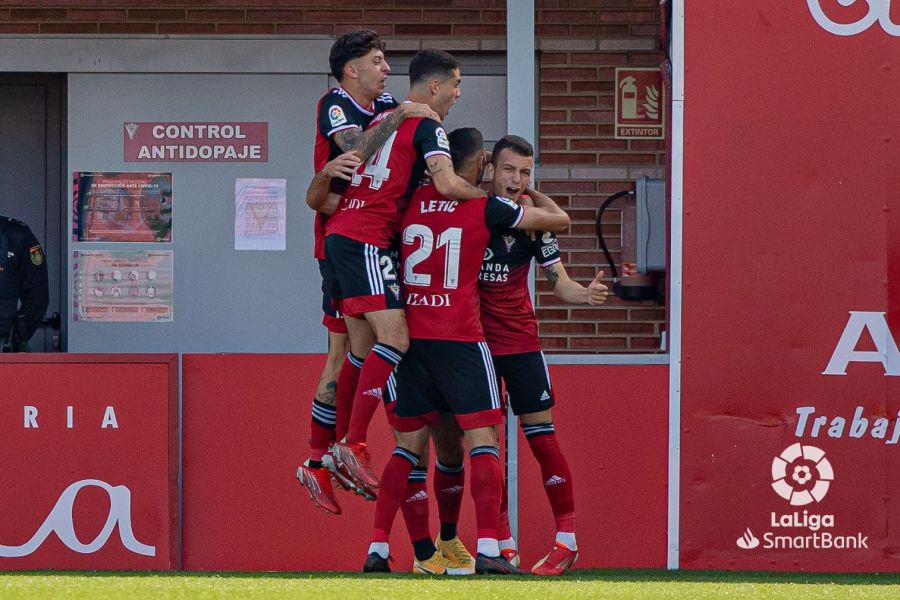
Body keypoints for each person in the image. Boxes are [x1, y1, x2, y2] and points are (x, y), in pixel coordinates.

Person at [363, 127, 570, 575]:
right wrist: (530, 196)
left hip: (408, 341)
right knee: (482, 442)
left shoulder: (407, 202)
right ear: (482, 166)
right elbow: (558, 222)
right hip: (460, 339)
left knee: (411, 448)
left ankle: (384, 548)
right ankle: (492, 547)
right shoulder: (484, 206)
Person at [323, 49, 486, 496]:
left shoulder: (379, 121)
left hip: (342, 233)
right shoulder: (426, 123)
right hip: (366, 237)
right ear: (435, 87)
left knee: (361, 347)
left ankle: (335, 448)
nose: (456, 95)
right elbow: (448, 184)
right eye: (455, 85)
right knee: (394, 338)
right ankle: (351, 444)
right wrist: (496, 206)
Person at [297, 30, 440, 515]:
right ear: (351, 70)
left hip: (361, 235)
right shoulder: (335, 102)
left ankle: (327, 458)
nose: (386, 70)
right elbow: (355, 147)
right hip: (341, 237)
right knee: (344, 353)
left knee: (355, 350)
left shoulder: (385, 102)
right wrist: (401, 115)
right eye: (377, 62)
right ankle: (332, 453)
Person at [479, 134, 609, 575]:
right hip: (474, 345)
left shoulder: (536, 223)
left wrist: (584, 293)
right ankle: (502, 542)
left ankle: (566, 540)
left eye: (525, 172)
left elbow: (560, 282)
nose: (517, 180)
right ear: (491, 169)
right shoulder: (471, 212)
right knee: (485, 448)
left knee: (542, 438)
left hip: (520, 343)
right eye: (510, 169)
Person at [0, 216, 49, 352]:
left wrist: (16, 335)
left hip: (5, 345)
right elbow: (37, 297)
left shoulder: (16, 234)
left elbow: (37, 296)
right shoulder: (16, 233)